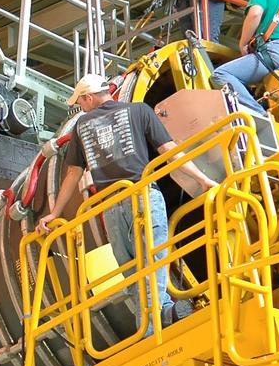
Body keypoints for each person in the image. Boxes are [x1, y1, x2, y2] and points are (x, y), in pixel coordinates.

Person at [46, 74, 217, 330]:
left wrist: (54, 213)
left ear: (88, 97)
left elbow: (73, 173)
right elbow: (169, 151)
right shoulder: (139, 111)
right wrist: (202, 179)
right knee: (153, 264)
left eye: (80, 102)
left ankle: (153, 327)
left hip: (111, 205)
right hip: (143, 195)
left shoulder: (82, 125)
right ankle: (159, 321)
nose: (81, 107)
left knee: (132, 273)